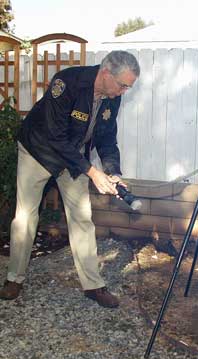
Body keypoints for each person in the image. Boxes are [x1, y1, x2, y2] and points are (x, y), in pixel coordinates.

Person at [0, 51, 140, 308]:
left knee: (82, 217)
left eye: (128, 87)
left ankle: (93, 285)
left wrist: (113, 172)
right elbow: (54, 136)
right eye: (122, 85)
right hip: (38, 150)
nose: (123, 92)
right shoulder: (67, 82)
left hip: (72, 157)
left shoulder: (112, 98)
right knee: (26, 216)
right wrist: (92, 171)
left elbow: (106, 138)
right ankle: (14, 278)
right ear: (106, 73)